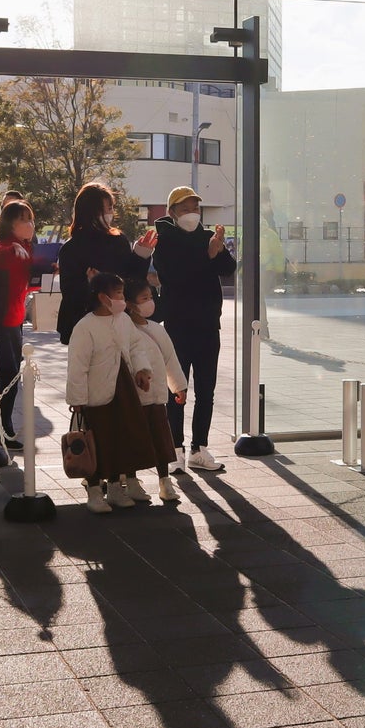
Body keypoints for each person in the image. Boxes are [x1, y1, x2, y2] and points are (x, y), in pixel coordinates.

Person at [150, 185, 235, 473]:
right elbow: (176, 275)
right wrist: (208, 257)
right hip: (178, 325)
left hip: (208, 325)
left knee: (207, 391)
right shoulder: (164, 240)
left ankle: (200, 448)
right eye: (185, 209)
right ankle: (175, 450)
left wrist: (217, 251)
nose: (191, 214)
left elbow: (228, 268)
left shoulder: (207, 237)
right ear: (171, 212)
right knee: (177, 390)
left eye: (195, 208)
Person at [65, 271, 159, 513]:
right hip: (96, 394)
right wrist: (77, 400)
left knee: (122, 437)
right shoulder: (85, 327)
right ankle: (95, 492)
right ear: (103, 297)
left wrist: (142, 370)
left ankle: (117, 488)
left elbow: (136, 345)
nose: (122, 297)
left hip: (124, 388)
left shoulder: (123, 320)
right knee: (98, 441)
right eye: (118, 293)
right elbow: (77, 366)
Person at [57, 181, 155, 346]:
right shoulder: (71, 248)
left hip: (119, 322)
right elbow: (69, 293)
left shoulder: (119, 240)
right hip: (84, 326)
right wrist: (91, 284)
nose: (109, 213)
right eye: (105, 209)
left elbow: (132, 281)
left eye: (110, 208)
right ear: (88, 212)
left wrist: (141, 255)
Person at [125, 277, 185, 504]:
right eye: (144, 299)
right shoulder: (124, 330)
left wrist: (178, 386)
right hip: (133, 398)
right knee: (133, 440)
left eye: (151, 297)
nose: (150, 302)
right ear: (130, 304)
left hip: (158, 395)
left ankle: (165, 482)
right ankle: (131, 482)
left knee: (161, 440)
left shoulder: (157, 330)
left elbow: (171, 359)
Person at [0, 199, 35, 449]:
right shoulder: (3, 248)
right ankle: (1, 426)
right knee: (8, 373)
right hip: (2, 321)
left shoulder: (23, 248)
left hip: (15, 321)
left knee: (11, 374)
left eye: (31, 219)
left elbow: (29, 282)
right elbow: (1, 270)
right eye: (24, 220)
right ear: (10, 224)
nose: (30, 225)